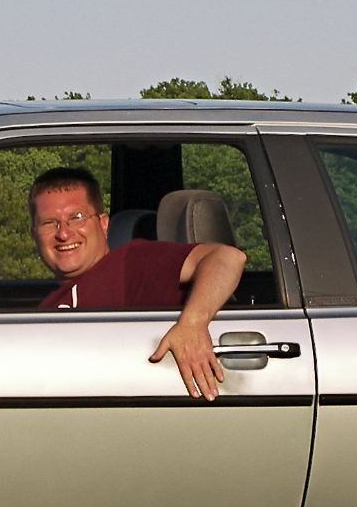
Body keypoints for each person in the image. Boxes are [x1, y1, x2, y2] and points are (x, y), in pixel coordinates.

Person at [29, 167, 246, 401]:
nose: (63, 233)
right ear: (34, 234)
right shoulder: (48, 305)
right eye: (49, 223)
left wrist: (193, 324)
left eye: (77, 217)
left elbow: (226, 258)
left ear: (103, 224)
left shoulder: (129, 263)